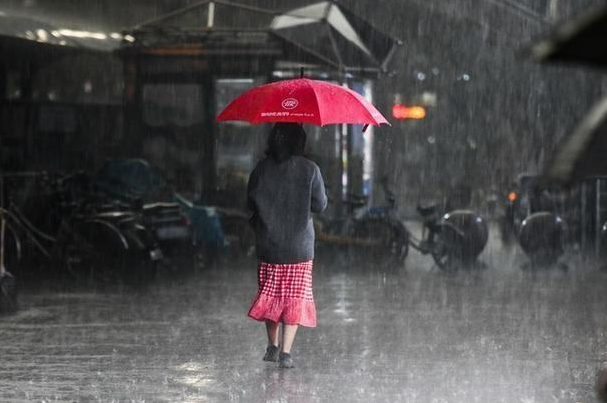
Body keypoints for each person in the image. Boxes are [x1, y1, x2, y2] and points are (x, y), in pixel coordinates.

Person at [246, 122, 327, 369]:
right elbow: (320, 204)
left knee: (271, 295)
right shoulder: (310, 170)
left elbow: (250, 204)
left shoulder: (261, 169)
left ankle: (271, 346)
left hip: (269, 246)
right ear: (300, 142)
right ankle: (286, 353)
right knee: (294, 297)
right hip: (299, 248)